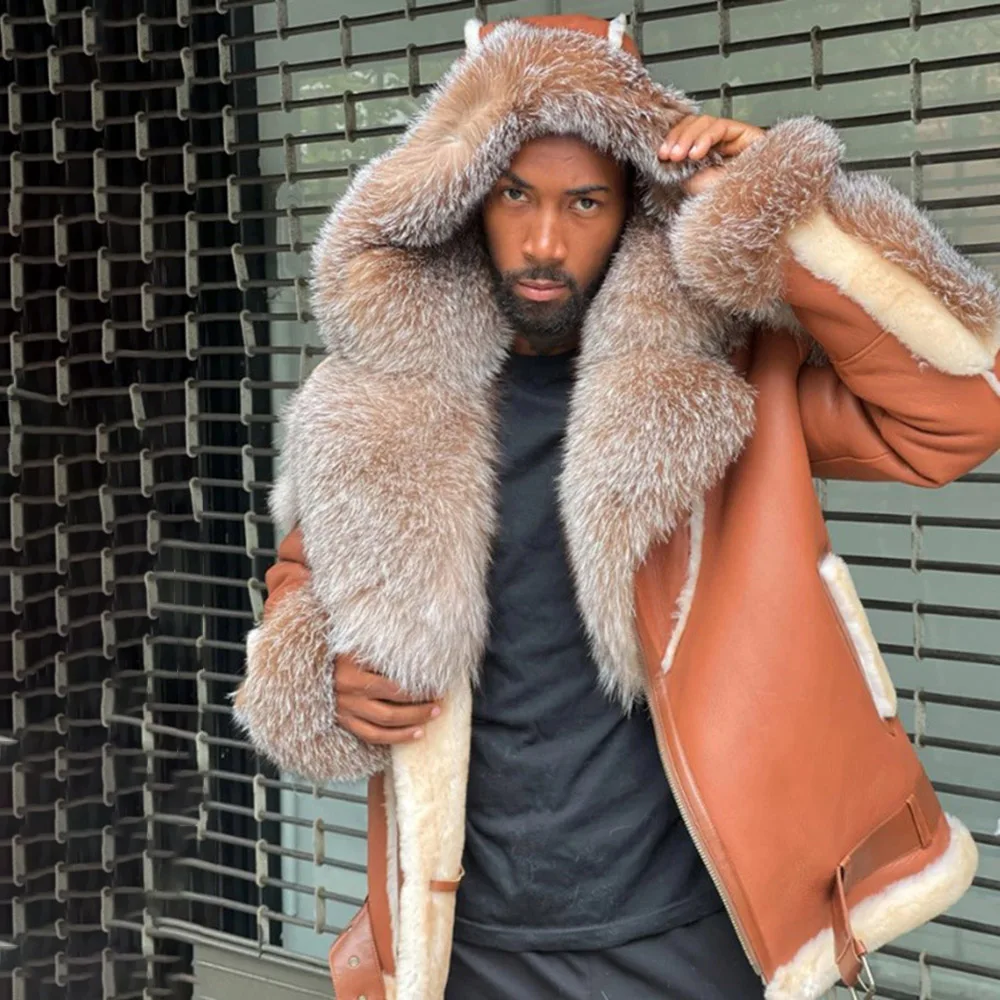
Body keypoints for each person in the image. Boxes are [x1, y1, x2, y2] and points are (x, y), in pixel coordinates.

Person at [234, 14, 1000, 1000]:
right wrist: (315, 668)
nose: (543, 242)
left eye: (585, 202)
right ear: (463, 198)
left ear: (634, 206)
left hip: (690, 933)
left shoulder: (730, 378)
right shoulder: (380, 394)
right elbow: (308, 569)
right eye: (515, 194)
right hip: (465, 940)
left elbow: (958, 413)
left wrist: (786, 214)